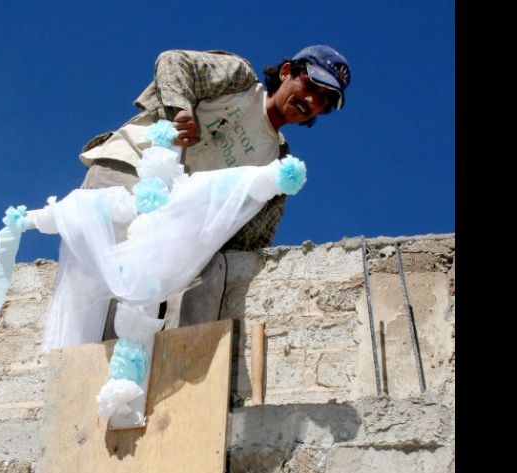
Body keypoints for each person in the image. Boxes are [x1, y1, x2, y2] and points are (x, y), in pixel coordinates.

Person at [76, 45, 351, 339]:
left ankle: (178, 365)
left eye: (323, 100)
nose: (311, 100)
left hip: (173, 223)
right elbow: (174, 62)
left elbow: (249, 240)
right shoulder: (241, 83)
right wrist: (179, 111)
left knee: (208, 267)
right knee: (114, 269)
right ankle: (97, 360)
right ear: (286, 72)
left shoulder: (277, 162)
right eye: (310, 86)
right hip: (131, 167)